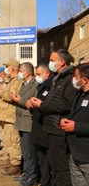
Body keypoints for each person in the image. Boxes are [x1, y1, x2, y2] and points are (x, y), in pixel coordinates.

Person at [29, 49, 79, 186]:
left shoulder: (70, 79)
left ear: (62, 62)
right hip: (51, 128)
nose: (50, 63)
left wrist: (42, 105)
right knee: (55, 167)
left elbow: (66, 104)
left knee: (62, 168)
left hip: (60, 129)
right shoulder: (58, 78)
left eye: (52, 60)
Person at [0, 59, 22, 176]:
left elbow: (11, 96)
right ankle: (10, 160)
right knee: (6, 139)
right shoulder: (8, 81)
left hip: (10, 115)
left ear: (12, 68)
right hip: (3, 114)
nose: (6, 69)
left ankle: (16, 164)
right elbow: (3, 95)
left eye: (7, 67)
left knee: (13, 141)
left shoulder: (17, 81)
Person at [60, 63, 89, 186]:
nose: (74, 80)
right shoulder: (79, 94)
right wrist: (65, 119)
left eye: (76, 76)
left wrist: (75, 127)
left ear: (85, 80)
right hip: (75, 151)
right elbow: (75, 114)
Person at [10, 62, 39, 186]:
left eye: (21, 71)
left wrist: (18, 99)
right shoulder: (24, 83)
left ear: (27, 72)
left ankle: (32, 176)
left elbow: (29, 101)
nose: (20, 73)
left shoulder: (35, 84)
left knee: (30, 151)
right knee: (25, 151)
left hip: (28, 121)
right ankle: (26, 174)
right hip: (21, 120)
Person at [26, 64, 53, 186]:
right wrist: (32, 105)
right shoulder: (42, 86)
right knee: (41, 159)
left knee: (47, 160)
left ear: (47, 74)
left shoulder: (51, 86)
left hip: (45, 127)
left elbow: (49, 105)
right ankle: (44, 181)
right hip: (38, 126)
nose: (37, 77)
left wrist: (39, 105)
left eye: (38, 74)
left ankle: (46, 181)